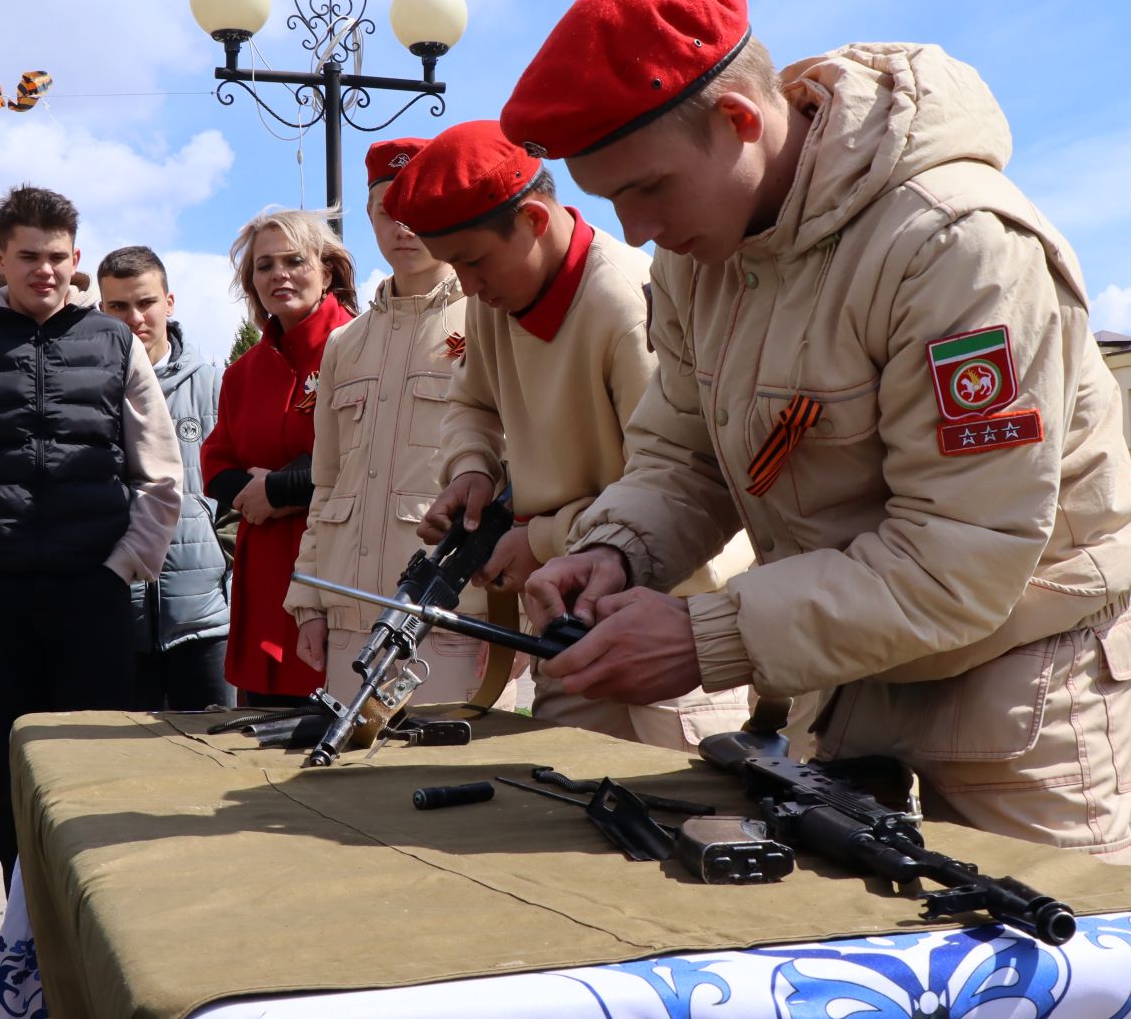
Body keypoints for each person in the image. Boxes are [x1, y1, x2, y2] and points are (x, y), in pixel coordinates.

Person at [511, 0, 1131, 860]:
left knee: (1047, 983)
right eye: (610, 200)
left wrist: (707, 637)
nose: (631, 231)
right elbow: (682, 457)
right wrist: (615, 551)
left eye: (646, 189)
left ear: (739, 120)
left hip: (1020, 677)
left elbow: (960, 560)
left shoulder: (953, 243)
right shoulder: (701, 262)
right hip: (848, 667)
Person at [391, 120, 751, 751]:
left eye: (473, 261)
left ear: (533, 219)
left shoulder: (624, 302)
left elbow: (676, 483)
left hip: (669, 618)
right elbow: (471, 402)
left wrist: (542, 540)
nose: (466, 287)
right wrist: (471, 469)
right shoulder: (492, 298)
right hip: (564, 611)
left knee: (696, 823)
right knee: (563, 809)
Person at [0, 185, 180, 883]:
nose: (44, 271)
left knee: (97, 771)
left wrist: (123, 565)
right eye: (28, 257)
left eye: (57, 257)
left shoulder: (115, 342)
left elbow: (162, 474)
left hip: (93, 593)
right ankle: (24, 940)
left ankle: (92, 926)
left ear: (76, 258)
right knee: (2, 769)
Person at [284, 139, 493, 704]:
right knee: (347, 786)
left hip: (450, 611)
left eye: (418, 205)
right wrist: (309, 599)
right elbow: (326, 484)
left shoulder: (490, 319)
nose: (403, 225)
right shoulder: (344, 344)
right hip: (350, 612)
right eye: (387, 208)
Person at [202, 210, 357, 706]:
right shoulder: (242, 373)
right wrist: (255, 496)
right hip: (265, 573)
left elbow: (362, 455)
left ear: (327, 270)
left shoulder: (361, 347)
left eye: (294, 260)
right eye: (264, 266)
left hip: (338, 569)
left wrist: (278, 491)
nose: (279, 275)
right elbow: (215, 462)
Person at [97, 244, 233, 709]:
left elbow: (236, 492)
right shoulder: (88, 391)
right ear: (101, 309)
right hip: (122, 622)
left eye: (145, 302)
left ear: (168, 303)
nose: (134, 317)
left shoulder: (215, 386)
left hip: (208, 623)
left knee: (219, 764)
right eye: (118, 306)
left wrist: (224, 569)